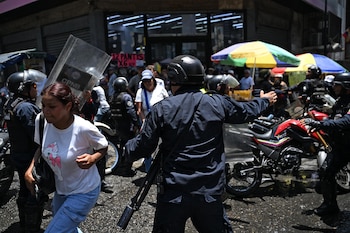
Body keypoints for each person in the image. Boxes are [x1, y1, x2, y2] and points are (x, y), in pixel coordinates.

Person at [124, 55, 277, 233]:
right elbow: (246, 111)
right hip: (209, 192)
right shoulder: (217, 103)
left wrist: (125, 149)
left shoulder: (162, 109)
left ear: (175, 78)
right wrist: (264, 100)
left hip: (174, 192)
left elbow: (143, 146)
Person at [24, 82, 108, 232]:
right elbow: (40, 147)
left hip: (85, 190)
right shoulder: (41, 120)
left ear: (68, 106)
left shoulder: (83, 127)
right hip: (61, 190)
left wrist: (93, 158)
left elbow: (103, 146)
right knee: (68, 229)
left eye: (52, 107)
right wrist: (29, 170)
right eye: (43, 105)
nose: (46, 111)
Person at [302, 72, 350, 217]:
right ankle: (330, 205)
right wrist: (319, 123)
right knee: (326, 172)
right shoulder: (340, 100)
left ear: (346, 86)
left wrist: (320, 124)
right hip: (340, 146)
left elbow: (346, 121)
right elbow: (332, 116)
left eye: (337, 85)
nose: (334, 87)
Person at [4, 70, 45, 233]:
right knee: (34, 191)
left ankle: (23, 222)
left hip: (18, 153)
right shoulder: (26, 108)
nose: (36, 89)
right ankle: (32, 227)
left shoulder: (11, 103)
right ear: (23, 88)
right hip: (29, 156)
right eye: (33, 86)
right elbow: (37, 134)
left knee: (23, 187)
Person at [109, 77, 140, 177]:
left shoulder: (112, 97)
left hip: (118, 125)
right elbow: (131, 111)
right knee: (130, 146)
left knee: (122, 145)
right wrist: (136, 123)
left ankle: (120, 165)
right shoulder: (126, 97)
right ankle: (127, 169)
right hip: (127, 126)